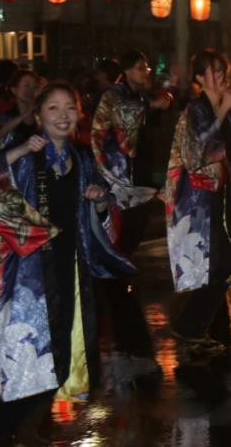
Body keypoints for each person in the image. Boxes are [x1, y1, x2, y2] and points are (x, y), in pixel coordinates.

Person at [0, 82, 135, 446]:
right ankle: (4, 432)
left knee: (60, 355)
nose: (62, 115)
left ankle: (28, 428)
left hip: (69, 267)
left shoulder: (81, 158)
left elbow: (104, 208)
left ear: (78, 114)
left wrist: (98, 201)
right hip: (27, 275)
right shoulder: (25, 157)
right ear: (38, 116)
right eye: (53, 108)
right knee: (26, 356)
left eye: (69, 108)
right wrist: (16, 152)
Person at [91, 50, 171, 372]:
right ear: (125, 71)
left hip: (138, 181)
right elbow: (123, 128)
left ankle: (121, 309)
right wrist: (150, 106)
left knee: (127, 243)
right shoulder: (115, 96)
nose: (146, 72)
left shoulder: (140, 97)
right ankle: (120, 313)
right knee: (118, 244)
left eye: (147, 67)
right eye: (140, 68)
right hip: (116, 181)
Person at [162, 50, 231, 359]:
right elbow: (195, 153)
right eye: (215, 72)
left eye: (224, 71)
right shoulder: (194, 111)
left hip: (221, 197)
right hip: (198, 201)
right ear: (199, 78)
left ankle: (194, 327)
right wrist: (222, 112)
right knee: (217, 265)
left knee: (225, 266)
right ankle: (190, 326)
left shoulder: (225, 108)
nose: (222, 77)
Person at [0, 68, 40, 153]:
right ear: (14, 90)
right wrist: (26, 113)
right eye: (26, 86)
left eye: (35, 86)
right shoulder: (7, 116)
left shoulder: (40, 116)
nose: (31, 90)